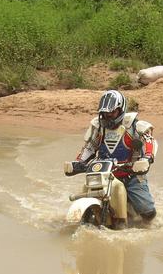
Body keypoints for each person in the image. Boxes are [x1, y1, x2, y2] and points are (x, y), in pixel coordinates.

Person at [67, 89, 157, 229]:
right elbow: (90, 147)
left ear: (121, 110)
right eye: (105, 113)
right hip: (104, 175)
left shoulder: (133, 126)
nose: (108, 116)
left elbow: (149, 141)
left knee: (147, 212)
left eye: (112, 112)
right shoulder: (98, 128)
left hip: (130, 174)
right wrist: (79, 162)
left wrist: (146, 158)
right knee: (86, 189)